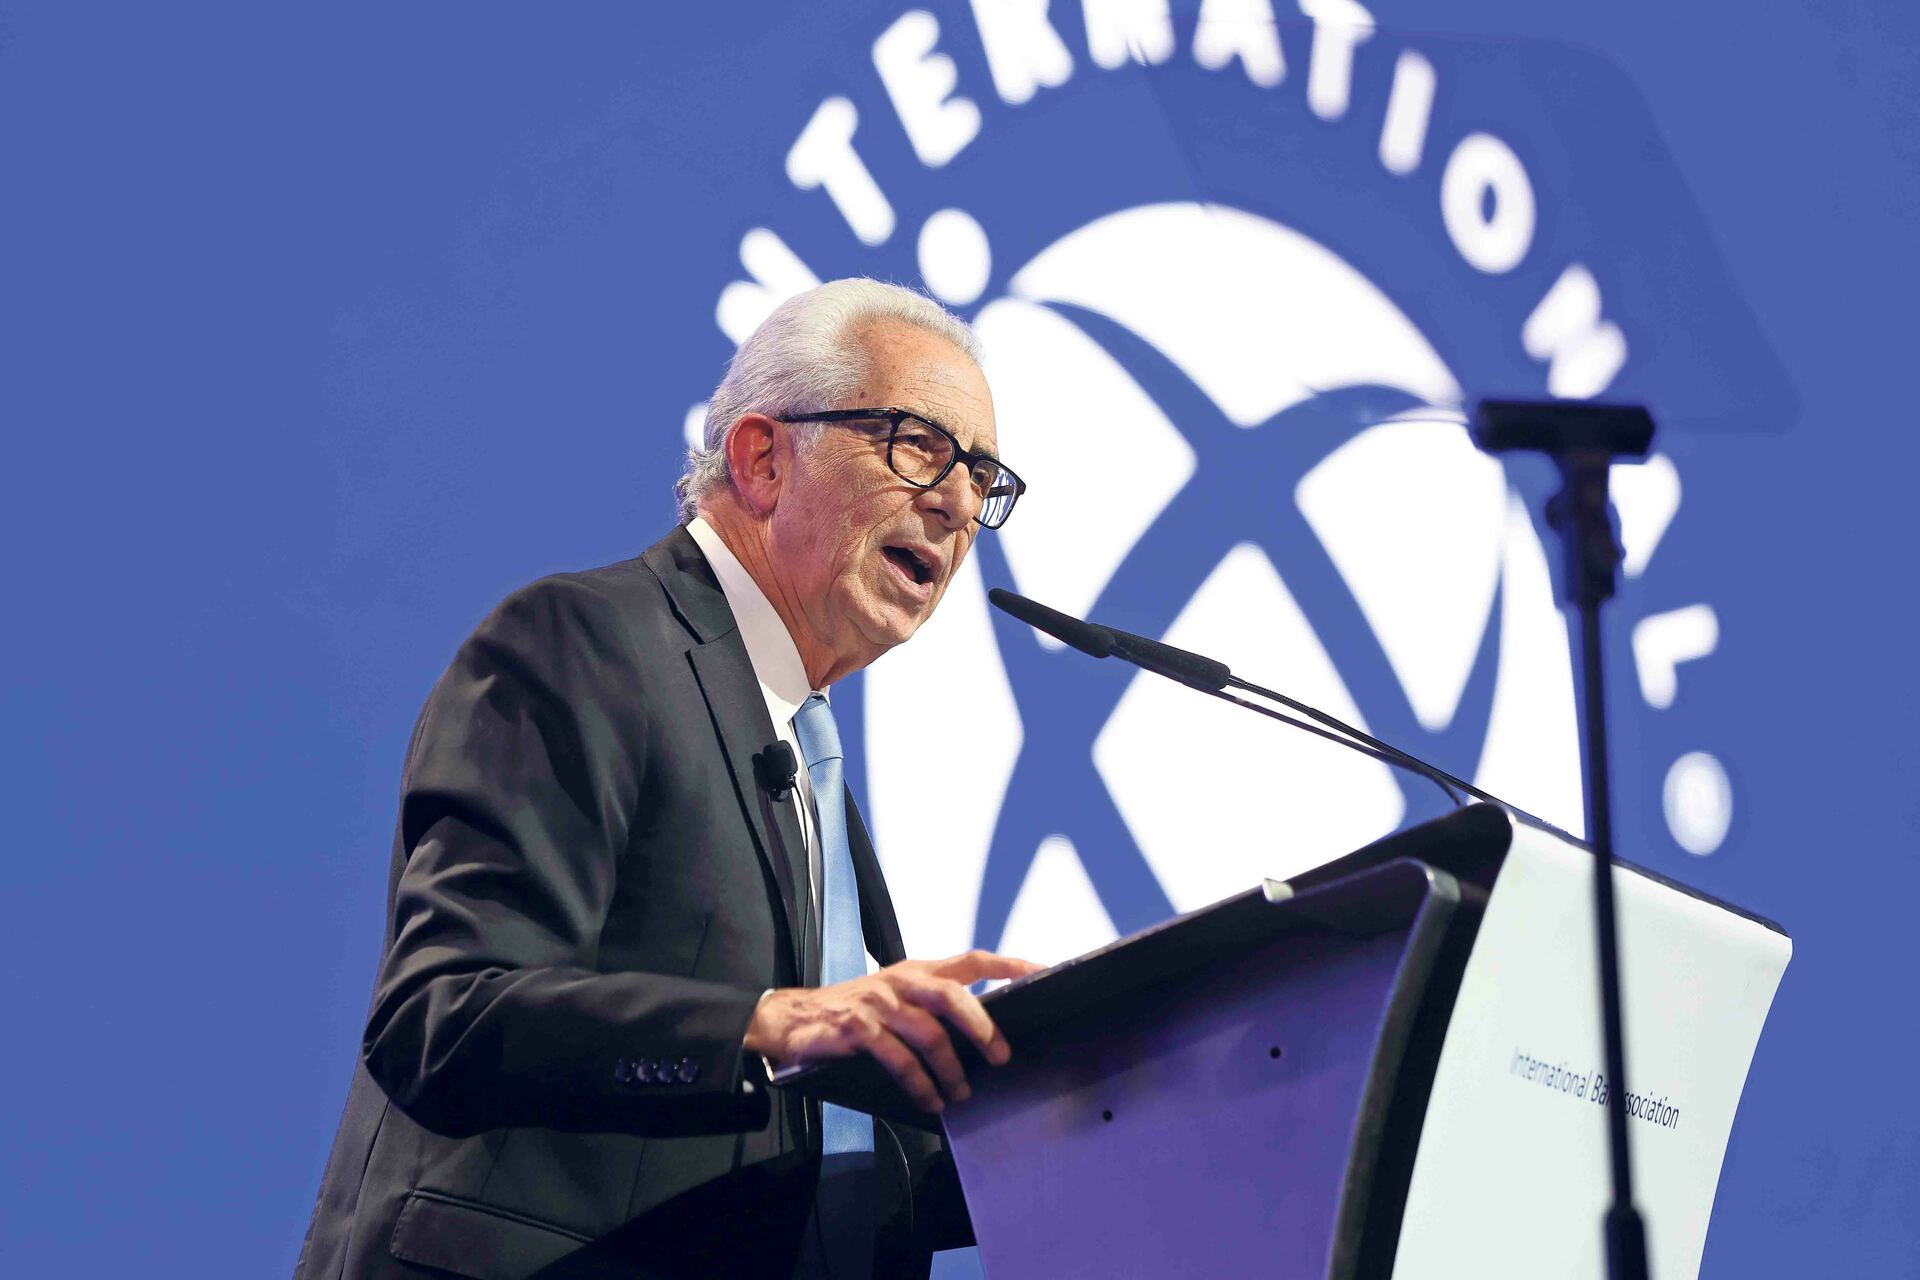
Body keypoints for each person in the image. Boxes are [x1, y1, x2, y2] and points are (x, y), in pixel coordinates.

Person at [294, 279, 1040, 1279]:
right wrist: (761, 1025)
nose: (957, 503)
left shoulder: (808, 768)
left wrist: (1083, 1119)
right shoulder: (584, 646)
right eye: (918, 445)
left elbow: (832, 1147)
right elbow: (444, 1017)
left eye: (982, 476)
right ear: (763, 458)